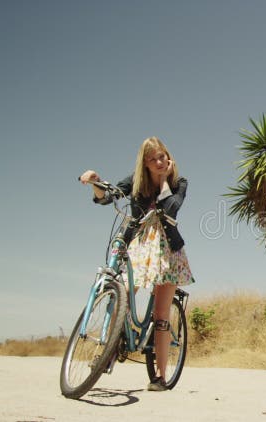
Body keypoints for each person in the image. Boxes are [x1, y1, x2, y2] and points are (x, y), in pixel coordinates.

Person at [79, 136, 194, 392]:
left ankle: (161, 377)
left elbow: (171, 209)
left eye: (161, 156)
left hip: (168, 249)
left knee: (161, 316)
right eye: (152, 159)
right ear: (145, 163)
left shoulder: (178, 183)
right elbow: (109, 196)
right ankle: (110, 347)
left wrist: (164, 181)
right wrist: (95, 182)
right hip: (138, 243)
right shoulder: (136, 181)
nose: (158, 162)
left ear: (168, 156)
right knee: (124, 293)